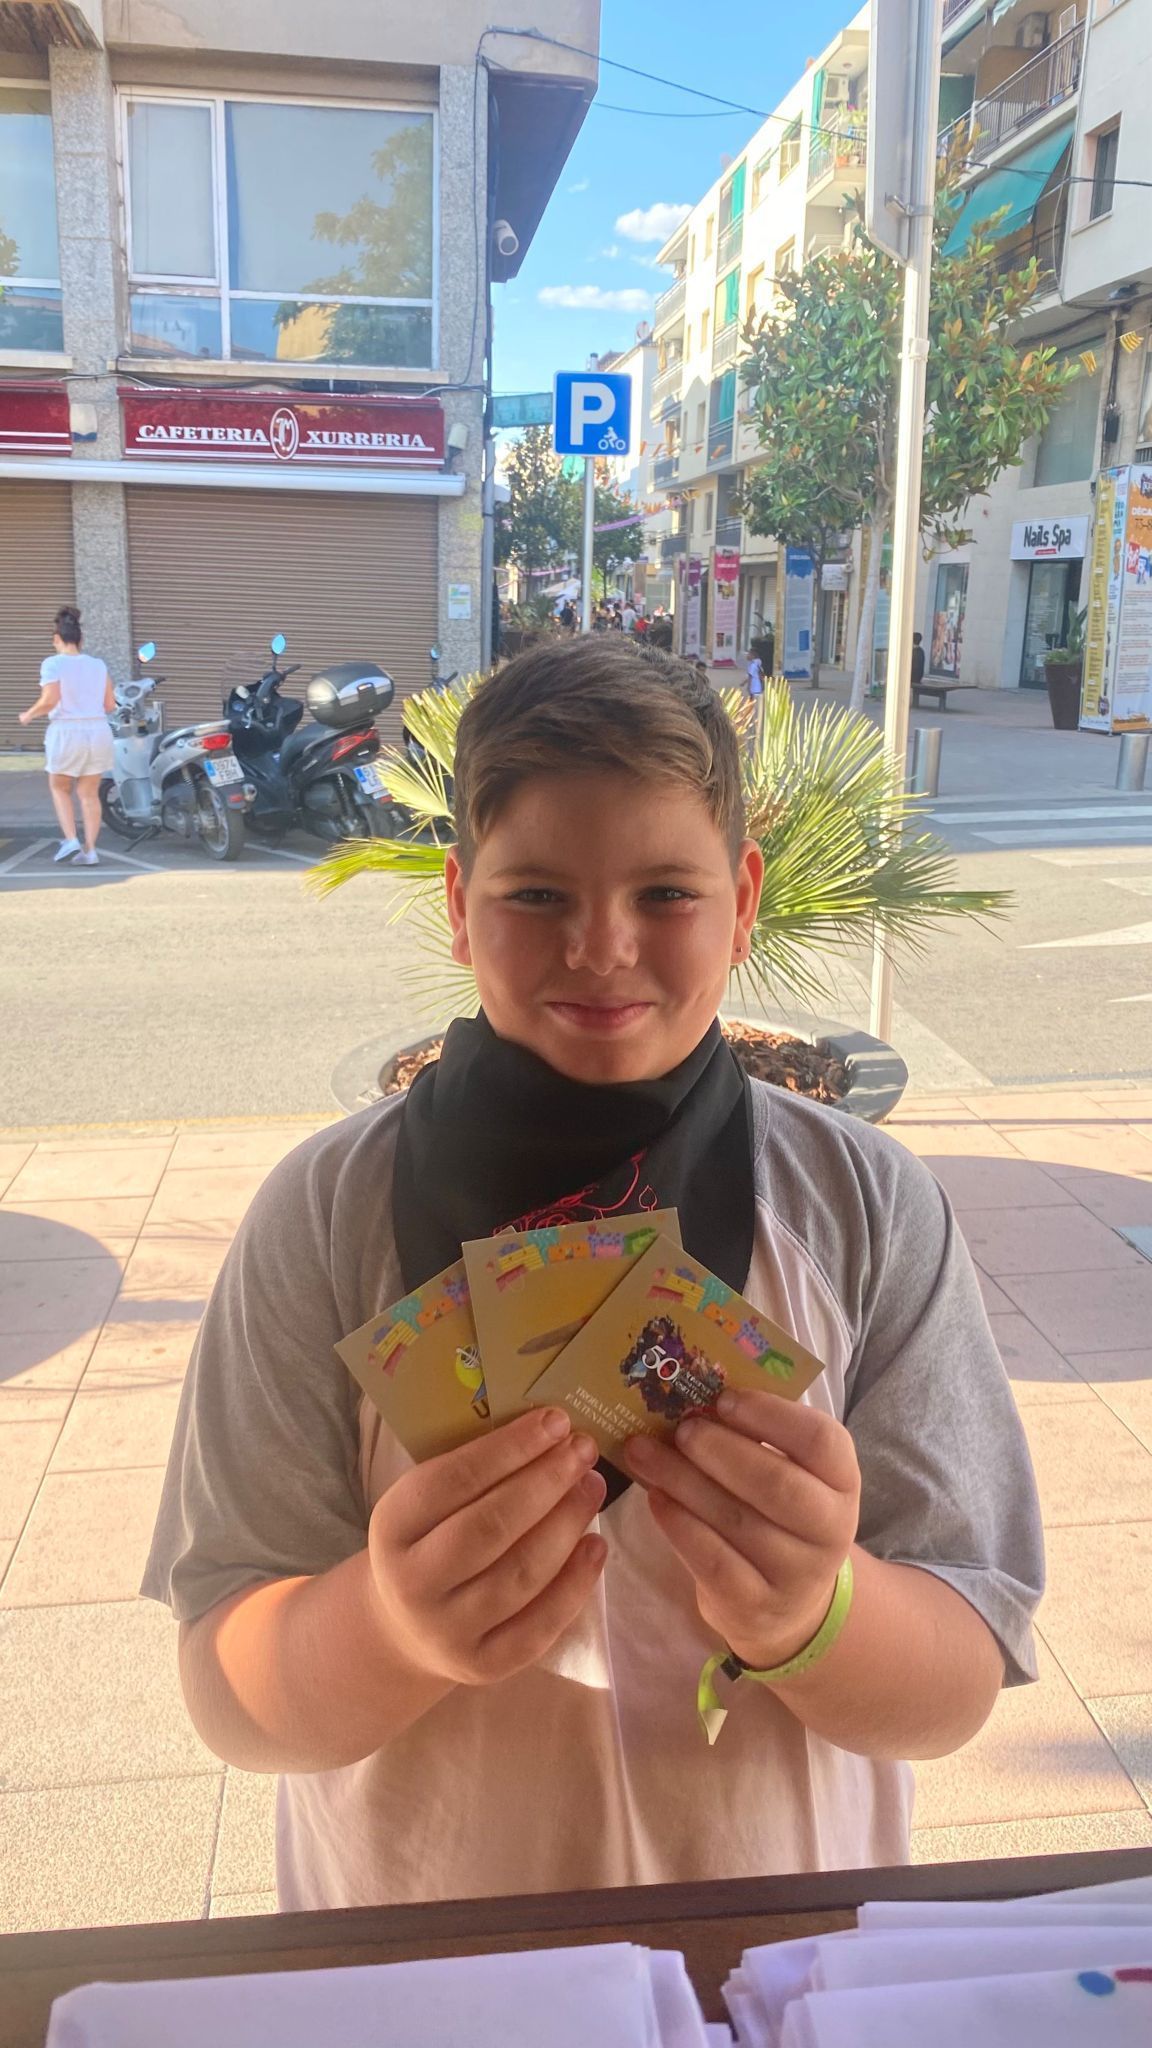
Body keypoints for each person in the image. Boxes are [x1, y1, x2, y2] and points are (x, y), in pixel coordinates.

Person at [143, 637, 1042, 1912]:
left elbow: (959, 1669)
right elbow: (231, 1685)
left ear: (743, 896)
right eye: (537, 895)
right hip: (429, 1963)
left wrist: (817, 1610)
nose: (604, 947)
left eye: (666, 892)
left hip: (771, 1956)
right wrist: (389, 1626)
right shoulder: (325, 1216)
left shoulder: (863, 1206)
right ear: (460, 904)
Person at [18, 604, 115, 866]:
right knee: (89, 793)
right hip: (98, 730)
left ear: (56, 639)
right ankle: (91, 851)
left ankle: (71, 839)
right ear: (81, 640)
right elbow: (109, 705)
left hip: (67, 731)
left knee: (60, 787)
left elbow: (50, 700)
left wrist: (28, 714)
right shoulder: (98, 665)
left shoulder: (53, 663)